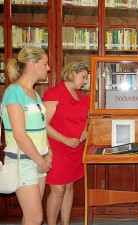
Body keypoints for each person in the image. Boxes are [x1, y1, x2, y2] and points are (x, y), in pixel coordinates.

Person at [2, 46, 52, 225]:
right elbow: (20, 136)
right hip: (23, 161)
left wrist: (48, 152)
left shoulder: (34, 94)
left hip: (38, 159)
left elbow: (40, 127)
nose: (48, 68)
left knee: (30, 217)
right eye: (45, 64)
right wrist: (41, 161)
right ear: (32, 64)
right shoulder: (14, 92)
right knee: (35, 218)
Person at [42, 62, 89, 225]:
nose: (85, 81)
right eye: (83, 77)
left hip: (75, 148)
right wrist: (66, 140)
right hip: (57, 148)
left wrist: (85, 132)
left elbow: (86, 120)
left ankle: (65, 223)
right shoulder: (53, 94)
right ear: (72, 73)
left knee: (69, 187)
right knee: (58, 189)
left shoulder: (84, 98)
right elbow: (43, 125)